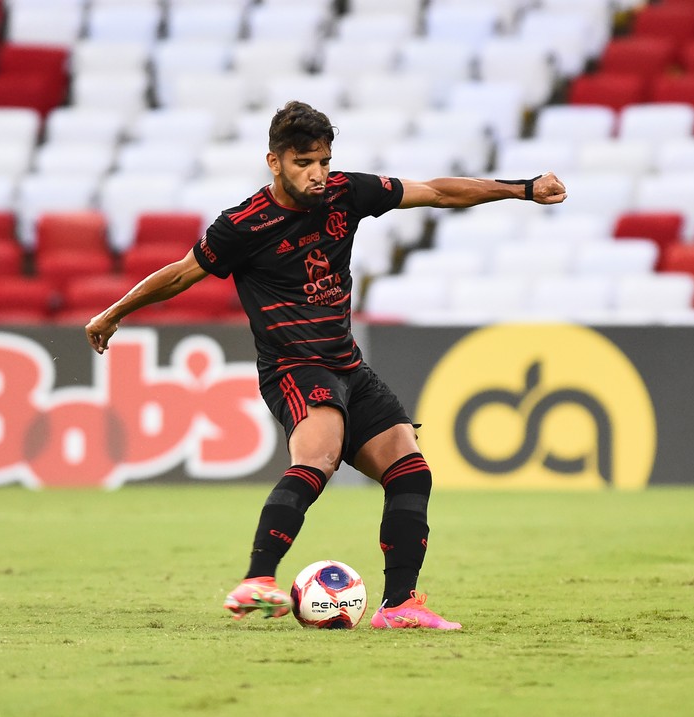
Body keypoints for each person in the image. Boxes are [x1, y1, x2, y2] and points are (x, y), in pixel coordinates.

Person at [86, 101, 567, 630]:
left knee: (410, 468)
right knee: (320, 455)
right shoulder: (243, 225)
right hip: (293, 366)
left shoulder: (346, 193)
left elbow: (436, 191)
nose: (317, 174)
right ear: (274, 162)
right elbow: (180, 275)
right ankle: (258, 580)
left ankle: (400, 605)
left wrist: (522, 188)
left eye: (323, 161)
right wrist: (113, 314)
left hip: (347, 365)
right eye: (303, 163)